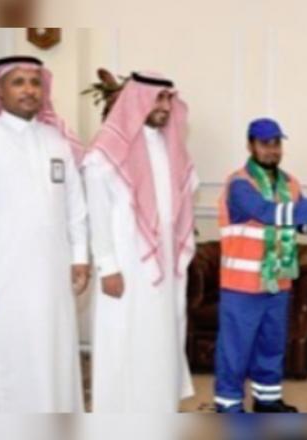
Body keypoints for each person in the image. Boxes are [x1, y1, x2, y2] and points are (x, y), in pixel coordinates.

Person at [84, 71, 198, 412]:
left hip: (164, 264)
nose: (164, 106)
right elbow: (98, 214)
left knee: (162, 338)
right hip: (126, 265)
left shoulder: (171, 146)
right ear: (137, 100)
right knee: (125, 336)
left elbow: (179, 207)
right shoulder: (106, 152)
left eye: (168, 99)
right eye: (157, 98)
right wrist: (108, 266)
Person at [215, 118, 307, 413]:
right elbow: (267, 212)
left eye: (276, 144)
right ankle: (229, 407)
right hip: (242, 286)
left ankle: (267, 400)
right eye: (265, 144)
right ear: (250, 145)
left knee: (271, 347)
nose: (272, 151)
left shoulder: (290, 184)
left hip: (278, 281)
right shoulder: (239, 185)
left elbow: (302, 225)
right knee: (235, 351)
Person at [0, 55, 88, 412]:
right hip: (4, 277)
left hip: (55, 275)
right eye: (18, 82)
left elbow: (75, 206)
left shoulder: (56, 140)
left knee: (56, 354)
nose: (29, 90)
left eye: (34, 82)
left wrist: (80, 258)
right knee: (11, 360)